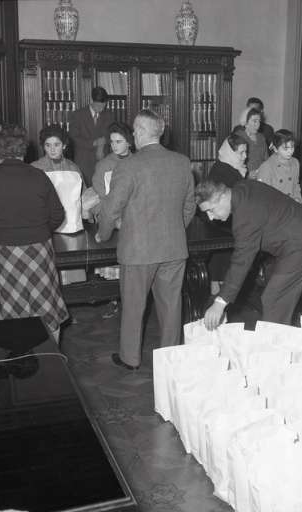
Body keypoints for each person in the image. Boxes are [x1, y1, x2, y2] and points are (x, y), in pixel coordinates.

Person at [96, 109, 195, 370]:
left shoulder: (128, 165)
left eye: (135, 129)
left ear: (140, 132)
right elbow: (189, 207)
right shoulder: (182, 162)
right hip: (173, 248)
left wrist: (103, 234)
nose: (133, 134)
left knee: (133, 306)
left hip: (137, 250)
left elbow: (111, 208)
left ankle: (130, 359)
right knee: (171, 307)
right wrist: (174, 229)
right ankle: (170, 359)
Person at [196, 179, 302, 330]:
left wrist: (220, 302)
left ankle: (275, 344)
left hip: (301, 245)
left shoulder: (244, 215)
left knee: (274, 300)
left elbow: (241, 262)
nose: (210, 217)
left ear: (223, 196)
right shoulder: (243, 187)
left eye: (211, 210)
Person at [0, 125, 68, 342]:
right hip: (39, 250)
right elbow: (57, 214)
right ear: (23, 150)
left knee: (12, 309)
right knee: (47, 307)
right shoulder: (38, 176)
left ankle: (22, 356)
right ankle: (53, 357)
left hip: (5, 252)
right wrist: (39, 230)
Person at [92, 121, 135, 318]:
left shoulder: (138, 161)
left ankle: (131, 301)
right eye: (112, 142)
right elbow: (102, 194)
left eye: (119, 141)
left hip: (133, 220)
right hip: (111, 220)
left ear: (129, 142)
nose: (114, 145)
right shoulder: (104, 165)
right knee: (111, 265)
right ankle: (113, 300)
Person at [207, 132, 248, 296]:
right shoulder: (224, 170)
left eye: (246, 152)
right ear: (230, 153)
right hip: (220, 223)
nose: (245, 156)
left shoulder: (229, 166)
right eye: (241, 153)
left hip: (227, 220)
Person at [32, 124, 84, 234]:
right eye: (48, 145)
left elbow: (83, 196)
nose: (52, 149)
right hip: (43, 226)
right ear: (43, 146)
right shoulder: (35, 168)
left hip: (71, 225)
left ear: (64, 145)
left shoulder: (73, 168)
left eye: (56, 145)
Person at [69, 86, 114, 187]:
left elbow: (112, 134)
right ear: (91, 101)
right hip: (84, 161)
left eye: (103, 105)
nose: (101, 109)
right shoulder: (78, 115)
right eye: (98, 106)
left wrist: (102, 143)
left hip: (103, 161)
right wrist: (93, 143)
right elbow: (73, 137)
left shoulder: (109, 115)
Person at [256, 129, 301, 203]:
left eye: (292, 147)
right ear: (275, 149)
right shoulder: (266, 167)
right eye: (285, 148)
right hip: (275, 207)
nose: (290, 151)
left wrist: (297, 199)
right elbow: (263, 195)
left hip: (292, 205)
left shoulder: (295, 163)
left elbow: (296, 185)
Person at [233, 107, 268, 178]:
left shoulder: (261, 137)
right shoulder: (238, 136)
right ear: (246, 122)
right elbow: (233, 162)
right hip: (243, 177)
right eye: (254, 121)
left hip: (261, 176)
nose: (258, 124)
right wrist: (247, 174)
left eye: (259, 121)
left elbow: (266, 159)